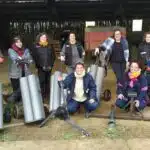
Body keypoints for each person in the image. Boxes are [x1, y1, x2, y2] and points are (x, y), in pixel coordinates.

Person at [8, 36, 32, 102]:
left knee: (24, 88)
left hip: (25, 72)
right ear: (14, 43)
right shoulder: (10, 50)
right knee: (17, 89)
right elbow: (15, 59)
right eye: (17, 42)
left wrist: (21, 59)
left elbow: (30, 59)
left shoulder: (26, 50)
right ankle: (13, 101)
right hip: (15, 74)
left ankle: (22, 103)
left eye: (20, 42)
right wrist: (24, 59)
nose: (19, 43)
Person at [31, 32, 55, 100]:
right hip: (40, 67)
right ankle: (42, 95)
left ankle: (48, 94)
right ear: (39, 38)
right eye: (42, 37)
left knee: (48, 81)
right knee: (42, 81)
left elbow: (53, 56)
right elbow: (35, 57)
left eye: (45, 37)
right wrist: (40, 66)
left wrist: (51, 65)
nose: (44, 38)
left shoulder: (50, 46)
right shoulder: (36, 46)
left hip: (49, 67)